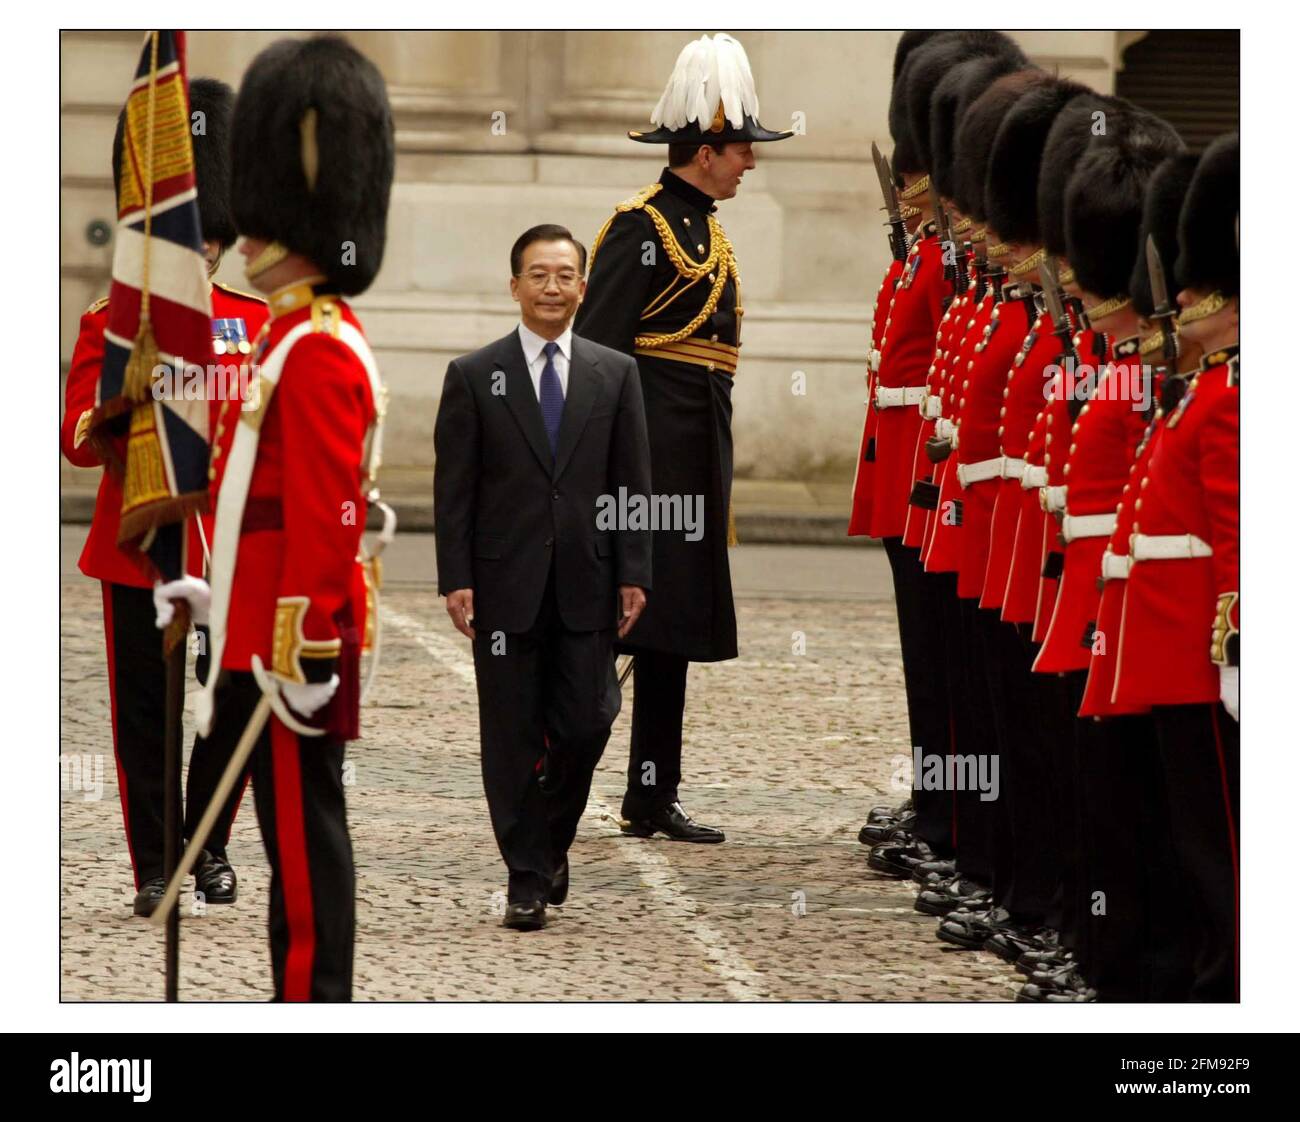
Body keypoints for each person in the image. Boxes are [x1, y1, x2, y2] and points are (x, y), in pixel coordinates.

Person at [158, 34, 394, 1001]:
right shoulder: (290, 336)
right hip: (258, 625)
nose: (241, 241)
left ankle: (314, 1005)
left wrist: (306, 639)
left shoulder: (318, 347)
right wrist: (207, 591)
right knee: (287, 842)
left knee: (304, 845)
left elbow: (329, 513)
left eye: (258, 226)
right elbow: (254, 496)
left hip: (293, 644)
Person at [575, 33, 791, 843]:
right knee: (622, 629)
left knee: (669, 638)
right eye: (742, 149)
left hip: (697, 463)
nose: (750, 164)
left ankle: (650, 792)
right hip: (647, 466)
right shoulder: (641, 228)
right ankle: (557, 768)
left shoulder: (707, 230)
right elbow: (598, 359)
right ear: (705, 151)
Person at [60, 77, 266, 917]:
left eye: (212, 237)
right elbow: (73, 435)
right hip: (141, 546)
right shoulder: (111, 320)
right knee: (146, 719)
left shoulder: (249, 323)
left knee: (234, 705)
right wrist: (120, 401)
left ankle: (208, 841)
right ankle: (156, 863)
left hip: (233, 545)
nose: (204, 251)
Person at [434, 224, 652, 931]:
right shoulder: (474, 375)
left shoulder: (615, 374)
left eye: (564, 275)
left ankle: (548, 837)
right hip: (505, 585)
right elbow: (454, 490)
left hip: (589, 584)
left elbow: (632, 484)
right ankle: (526, 875)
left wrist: (635, 571)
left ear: (583, 287)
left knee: (590, 720)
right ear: (515, 286)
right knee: (510, 736)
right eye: (538, 274)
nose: (552, 287)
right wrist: (455, 577)